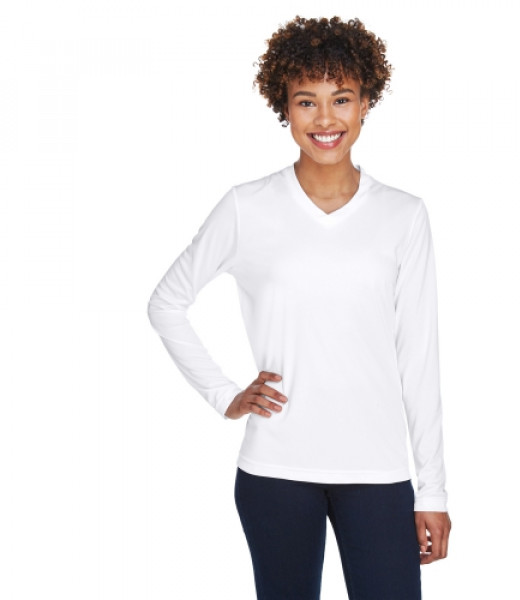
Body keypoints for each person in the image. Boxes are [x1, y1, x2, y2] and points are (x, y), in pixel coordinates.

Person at [147, 15, 451, 600]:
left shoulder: (403, 215)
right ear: (284, 107)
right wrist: (223, 394)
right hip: (276, 472)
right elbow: (167, 303)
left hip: (378, 471)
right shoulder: (247, 207)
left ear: (366, 103)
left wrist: (432, 490)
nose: (325, 119)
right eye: (306, 101)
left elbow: (420, 357)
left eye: (342, 99)